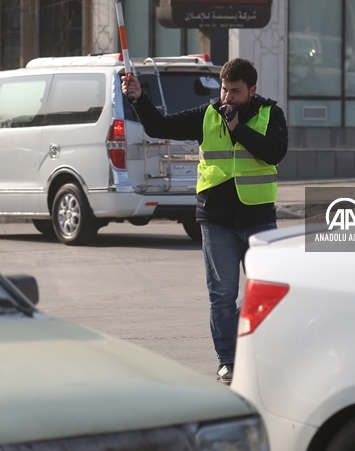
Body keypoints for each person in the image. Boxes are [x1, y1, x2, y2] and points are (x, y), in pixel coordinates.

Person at [121, 57, 288, 385]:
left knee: (265, 290)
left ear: (252, 91)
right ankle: (227, 359)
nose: (227, 97)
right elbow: (161, 127)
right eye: (225, 90)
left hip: (258, 217)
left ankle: (250, 347)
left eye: (235, 92)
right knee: (222, 294)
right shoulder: (208, 114)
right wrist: (139, 98)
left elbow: (274, 152)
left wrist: (238, 128)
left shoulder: (271, 114)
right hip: (217, 219)